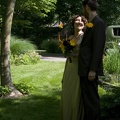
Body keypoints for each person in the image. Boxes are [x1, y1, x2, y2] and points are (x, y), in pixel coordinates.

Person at [78, 0, 106, 120]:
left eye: (84, 8)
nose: (83, 10)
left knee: (92, 101)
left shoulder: (98, 23)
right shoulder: (91, 23)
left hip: (89, 69)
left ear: (87, 7)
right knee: (87, 100)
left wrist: (93, 70)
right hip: (85, 68)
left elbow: (98, 48)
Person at [60, 15, 87, 120]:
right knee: (67, 92)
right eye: (76, 20)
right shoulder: (70, 38)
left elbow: (87, 54)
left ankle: (76, 116)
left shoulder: (85, 37)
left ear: (84, 24)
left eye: (81, 21)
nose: (79, 22)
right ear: (73, 23)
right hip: (69, 68)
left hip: (79, 68)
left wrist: (76, 55)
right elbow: (67, 55)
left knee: (76, 94)